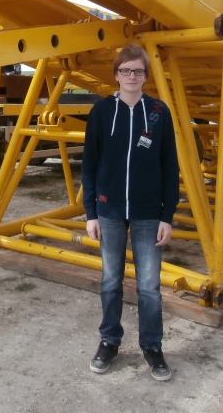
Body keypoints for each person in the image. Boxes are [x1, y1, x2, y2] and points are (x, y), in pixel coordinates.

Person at [81, 44, 179, 380]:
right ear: (116, 74)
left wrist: (167, 216)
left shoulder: (159, 112)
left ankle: (152, 346)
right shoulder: (101, 112)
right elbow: (90, 165)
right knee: (110, 280)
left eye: (138, 71)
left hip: (148, 212)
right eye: (126, 70)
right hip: (108, 210)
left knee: (149, 286)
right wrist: (91, 212)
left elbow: (170, 166)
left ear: (146, 75)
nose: (132, 76)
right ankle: (109, 340)